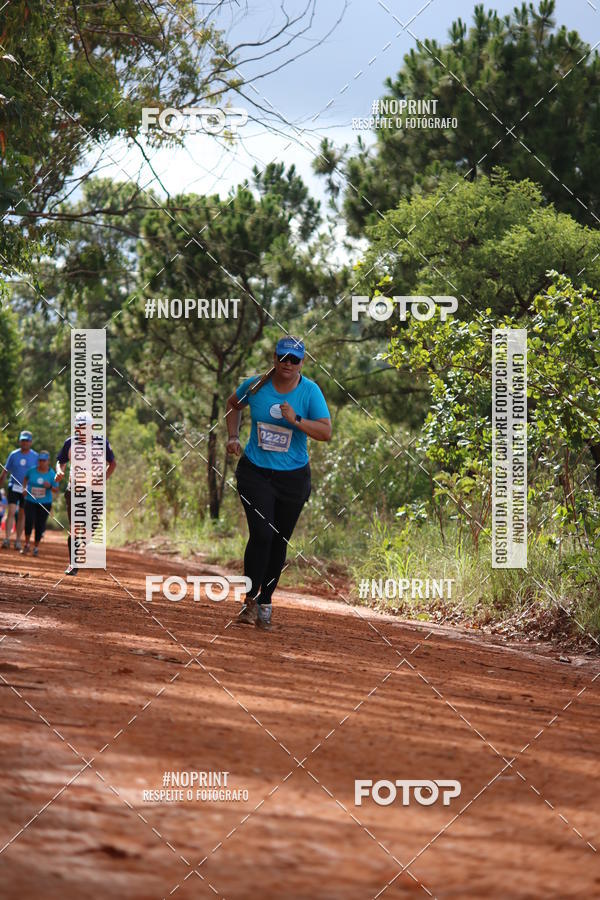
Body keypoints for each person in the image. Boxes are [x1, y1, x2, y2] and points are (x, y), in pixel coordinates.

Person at [225, 337, 332, 631]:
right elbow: (233, 404)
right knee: (261, 533)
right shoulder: (256, 386)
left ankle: (266, 602)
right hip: (255, 472)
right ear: (274, 358)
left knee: (279, 539)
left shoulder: (309, 392)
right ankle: (249, 600)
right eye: (282, 357)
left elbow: (325, 432)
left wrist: (295, 419)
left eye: (294, 359)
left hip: (293, 478)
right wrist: (233, 437)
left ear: (302, 363)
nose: (287, 363)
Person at [55, 412, 116, 576]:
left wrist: (102, 478)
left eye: (84, 427)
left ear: (92, 427)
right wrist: (59, 472)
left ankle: (81, 546)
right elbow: (61, 462)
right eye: (78, 427)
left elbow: (112, 463)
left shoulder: (102, 443)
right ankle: (73, 564)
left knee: (91, 528)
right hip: (75, 490)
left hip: (95, 492)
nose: (81, 431)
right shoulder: (70, 443)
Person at [0, 431, 38, 550]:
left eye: (27, 440)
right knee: (11, 511)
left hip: (27, 489)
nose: (25, 443)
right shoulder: (14, 454)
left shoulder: (35, 457)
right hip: (14, 486)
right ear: (20, 441)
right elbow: (5, 471)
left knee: (22, 514)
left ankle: (17, 541)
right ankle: (6, 539)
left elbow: (38, 473)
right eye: (23, 440)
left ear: (31, 442)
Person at [21, 451, 59, 556]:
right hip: (30, 501)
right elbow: (25, 478)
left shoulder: (52, 475)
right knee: (28, 522)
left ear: (48, 461)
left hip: (45, 503)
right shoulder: (32, 471)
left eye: (44, 461)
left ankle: (36, 547)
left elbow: (57, 489)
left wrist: (50, 487)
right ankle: (27, 544)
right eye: (40, 460)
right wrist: (24, 488)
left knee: (39, 525)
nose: (42, 463)